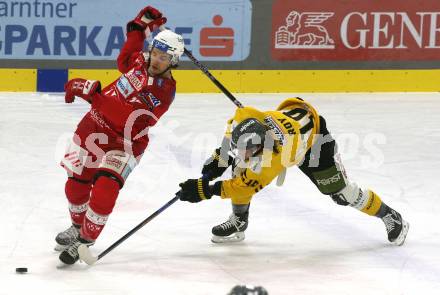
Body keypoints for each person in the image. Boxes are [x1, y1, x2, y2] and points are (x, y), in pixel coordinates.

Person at [177, 97, 410, 245]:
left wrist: (204, 190)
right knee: (241, 167)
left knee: (341, 193)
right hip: (296, 120)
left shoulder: (273, 157)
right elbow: (236, 123)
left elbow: (244, 185)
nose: (242, 153)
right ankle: (239, 221)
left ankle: (390, 215)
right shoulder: (245, 121)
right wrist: (221, 155)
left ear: (262, 144)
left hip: (315, 142)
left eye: (246, 150)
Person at [56, 5, 185, 265]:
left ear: (174, 61)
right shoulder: (141, 62)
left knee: (105, 188)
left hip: (125, 143)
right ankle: (76, 225)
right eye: (155, 53)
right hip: (93, 127)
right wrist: (139, 27)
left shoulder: (162, 91)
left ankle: (85, 239)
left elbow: (127, 118)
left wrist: (93, 94)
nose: (156, 60)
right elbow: (126, 58)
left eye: (164, 57)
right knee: (75, 185)